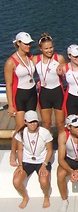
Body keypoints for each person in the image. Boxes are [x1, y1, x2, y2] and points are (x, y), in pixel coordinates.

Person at [5, 32, 37, 167]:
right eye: (26, 43)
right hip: (19, 97)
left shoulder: (31, 57)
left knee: (31, 125)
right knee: (20, 129)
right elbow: (9, 85)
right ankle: (13, 153)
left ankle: (28, 152)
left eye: (30, 43)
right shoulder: (10, 62)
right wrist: (11, 105)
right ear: (18, 43)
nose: (29, 46)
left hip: (32, 94)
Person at [12, 110, 53, 209]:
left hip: (42, 161)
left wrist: (44, 165)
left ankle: (46, 196)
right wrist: (20, 165)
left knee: (43, 181)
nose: (33, 124)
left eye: (34, 121)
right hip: (27, 161)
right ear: (25, 122)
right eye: (30, 122)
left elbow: (50, 151)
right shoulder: (21, 133)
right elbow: (20, 150)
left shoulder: (45, 132)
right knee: (16, 181)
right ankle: (25, 197)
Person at [32, 33, 66, 134]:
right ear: (40, 49)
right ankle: (48, 148)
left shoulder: (59, 58)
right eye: (46, 48)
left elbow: (65, 76)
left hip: (58, 92)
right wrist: (36, 82)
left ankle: (62, 148)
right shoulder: (35, 60)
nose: (49, 50)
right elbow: (28, 72)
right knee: (46, 124)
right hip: (44, 94)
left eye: (51, 47)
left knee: (60, 124)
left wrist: (61, 75)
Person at [57, 44, 78, 128]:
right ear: (69, 56)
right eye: (75, 56)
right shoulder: (64, 68)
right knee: (71, 126)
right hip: (71, 98)